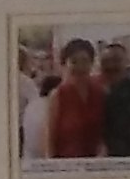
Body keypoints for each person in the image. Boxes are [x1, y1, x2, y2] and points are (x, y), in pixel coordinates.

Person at [43, 35, 106, 163]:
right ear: (65, 64)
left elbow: (105, 133)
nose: (80, 66)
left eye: (85, 61)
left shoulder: (100, 93)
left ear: (92, 63)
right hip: (65, 166)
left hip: (95, 165)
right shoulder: (58, 95)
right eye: (74, 61)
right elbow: (49, 140)